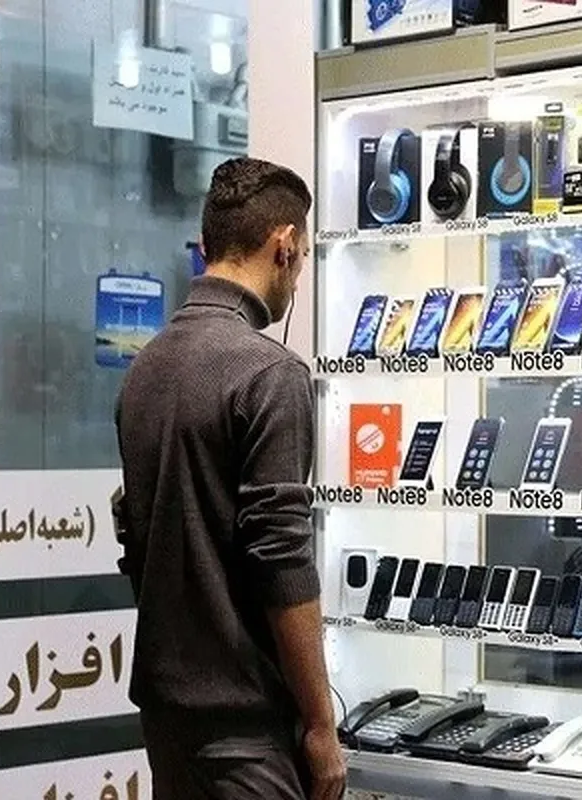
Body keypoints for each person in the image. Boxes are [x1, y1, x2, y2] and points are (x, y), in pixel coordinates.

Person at [114, 158, 346, 800]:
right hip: (249, 735)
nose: (297, 278)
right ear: (284, 245)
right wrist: (321, 725)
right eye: (302, 260)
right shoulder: (270, 374)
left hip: (167, 723)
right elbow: (282, 560)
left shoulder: (145, 368)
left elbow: (139, 540)